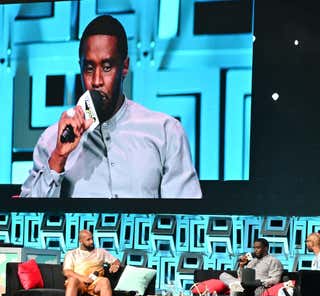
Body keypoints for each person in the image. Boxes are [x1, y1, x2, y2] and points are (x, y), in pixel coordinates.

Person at [20, 15, 201, 198]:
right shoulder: (52, 141)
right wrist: (59, 157)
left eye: (107, 67)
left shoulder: (165, 132)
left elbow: (185, 218)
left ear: (124, 67)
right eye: (89, 68)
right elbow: (24, 220)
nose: (96, 81)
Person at [219, 238, 283, 296]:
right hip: (244, 284)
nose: (255, 250)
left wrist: (258, 282)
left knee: (235, 289)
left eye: (258, 248)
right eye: (254, 248)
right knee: (223, 275)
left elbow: (275, 279)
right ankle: (236, 286)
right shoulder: (252, 261)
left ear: (266, 248)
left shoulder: (273, 261)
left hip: (257, 288)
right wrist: (242, 266)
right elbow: (241, 277)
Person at [63, 229, 120, 296]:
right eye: (88, 240)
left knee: (105, 281)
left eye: (92, 238)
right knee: (72, 280)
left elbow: (116, 260)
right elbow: (67, 272)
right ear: (81, 241)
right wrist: (84, 278)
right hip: (80, 282)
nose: (92, 241)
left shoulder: (101, 252)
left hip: (95, 282)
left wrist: (115, 265)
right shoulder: (71, 254)